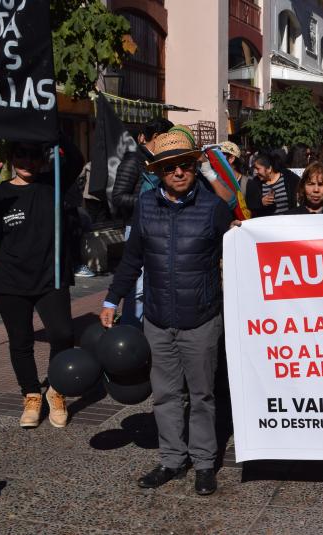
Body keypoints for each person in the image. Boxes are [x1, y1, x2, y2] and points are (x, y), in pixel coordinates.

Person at [99, 126, 234, 496]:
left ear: (194, 166)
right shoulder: (145, 205)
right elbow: (132, 259)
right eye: (170, 166)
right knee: (165, 395)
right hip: (158, 319)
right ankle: (172, 460)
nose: (178, 172)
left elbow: (239, 248)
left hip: (201, 319)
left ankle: (204, 463)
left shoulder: (212, 208)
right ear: (158, 171)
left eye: (185, 164)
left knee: (202, 396)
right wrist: (112, 299)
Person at [0, 136, 84, 429]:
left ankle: (56, 389)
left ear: (42, 159)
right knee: (20, 341)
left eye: (33, 155)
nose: (27, 161)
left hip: (50, 277)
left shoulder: (52, 184)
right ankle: (30, 394)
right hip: (10, 279)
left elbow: (76, 160)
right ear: (11, 157)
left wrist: (55, 132)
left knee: (63, 333)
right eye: (21, 154)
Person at [112, 117, 173, 328]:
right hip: (137, 227)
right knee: (137, 287)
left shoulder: (160, 160)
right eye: (168, 138)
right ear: (156, 137)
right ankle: (131, 331)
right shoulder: (134, 159)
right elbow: (118, 197)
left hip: (158, 227)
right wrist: (149, 201)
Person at [245, 152, 298, 217]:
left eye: (258, 169)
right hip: (267, 222)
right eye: (254, 169)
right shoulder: (255, 183)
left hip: (288, 221)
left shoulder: (288, 177)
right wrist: (261, 202)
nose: (255, 172)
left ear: (269, 169)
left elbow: (302, 186)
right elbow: (250, 207)